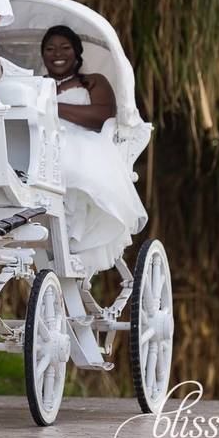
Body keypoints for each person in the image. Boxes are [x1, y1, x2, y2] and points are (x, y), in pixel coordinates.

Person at [41, 25, 148, 274]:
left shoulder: (92, 81)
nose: (57, 53)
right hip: (43, 142)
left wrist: (55, 108)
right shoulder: (38, 85)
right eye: (50, 48)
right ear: (43, 55)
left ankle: (73, 239)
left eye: (65, 47)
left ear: (77, 53)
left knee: (71, 166)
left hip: (84, 143)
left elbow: (102, 115)